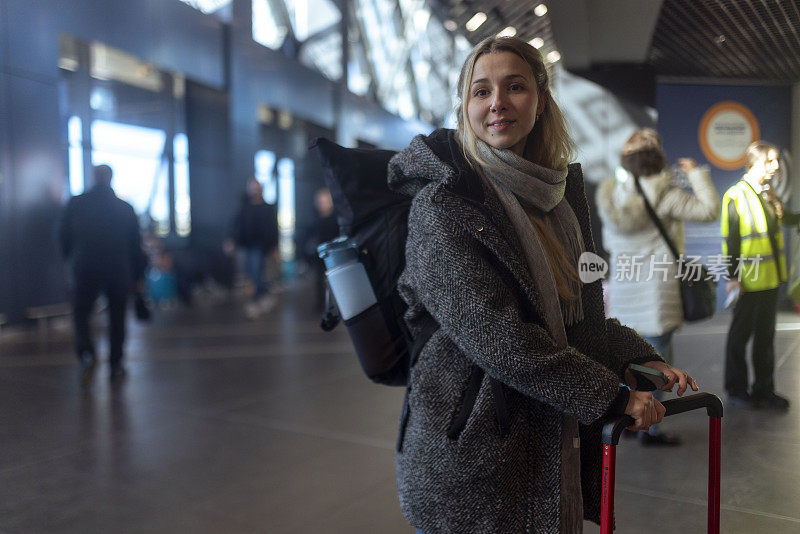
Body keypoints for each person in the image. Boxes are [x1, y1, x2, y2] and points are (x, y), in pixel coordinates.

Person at [387, 37, 698, 534]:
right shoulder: (443, 207)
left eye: (515, 87)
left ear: (541, 101)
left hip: (546, 438)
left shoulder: (559, 202)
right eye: (480, 91)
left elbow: (580, 319)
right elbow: (498, 338)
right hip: (473, 457)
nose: (497, 103)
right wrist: (614, 397)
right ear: (464, 107)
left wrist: (639, 358)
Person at [596, 128, 719, 445]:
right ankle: (652, 428)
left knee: (628, 361)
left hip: (626, 288)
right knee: (658, 363)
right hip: (657, 292)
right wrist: (696, 174)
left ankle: (625, 420)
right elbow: (709, 211)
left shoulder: (615, 197)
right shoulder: (666, 195)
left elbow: (611, 242)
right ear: (659, 159)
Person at [722, 141, 799, 411]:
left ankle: (764, 389)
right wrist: (732, 276)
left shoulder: (768, 194)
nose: (776, 167)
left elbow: (786, 220)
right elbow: (731, 239)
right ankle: (736, 389)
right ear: (754, 163)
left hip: (770, 280)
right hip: (748, 281)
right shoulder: (736, 194)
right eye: (770, 161)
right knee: (740, 336)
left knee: (765, 337)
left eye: (776, 161)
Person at [59, 164, 146, 385]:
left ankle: (87, 353)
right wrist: (138, 276)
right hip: (118, 269)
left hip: (86, 267)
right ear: (111, 178)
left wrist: (72, 259)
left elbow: (63, 236)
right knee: (117, 317)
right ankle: (115, 363)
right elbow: (136, 245)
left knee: (81, 313)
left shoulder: (76, 204)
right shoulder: (125, 208)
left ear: (93, 177)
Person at [231, 178, 279, 319]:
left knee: (257, 273)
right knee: (251, 274)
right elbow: (236, 225)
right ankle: (263, 296)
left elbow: (273, 228)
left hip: (260, 246)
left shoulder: (267, 208)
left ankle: (257, 300)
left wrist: (274, 247)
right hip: (246, 245)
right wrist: (232, 240)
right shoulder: (244, 207)